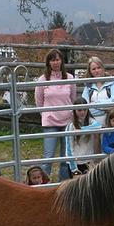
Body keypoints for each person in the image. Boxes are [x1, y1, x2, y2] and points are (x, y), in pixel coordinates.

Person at [35, 49, 75, 180]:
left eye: (57, 59)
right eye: (52, 60)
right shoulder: (42, 79)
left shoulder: (70, 78)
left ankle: (62, 184)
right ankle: (44, 184)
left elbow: (73, 99)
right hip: (50, 122)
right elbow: (39, 101)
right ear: (48, 62)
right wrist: (46, 115)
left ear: (62, 61)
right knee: (48, 157)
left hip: (67, 121)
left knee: (65, 157)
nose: (55, 62)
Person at [65, 98, 102, 177]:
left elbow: (98, 126)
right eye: (79, 110)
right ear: (74, 111)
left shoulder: (92, 121)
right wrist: (74, 168)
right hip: (75, 163)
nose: (82, 112)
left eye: (84, 110)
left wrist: (81, 130)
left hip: (88, 161)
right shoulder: (70, 126)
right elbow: (69, 148)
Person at [81, 56, 114, 126]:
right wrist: (104, 109)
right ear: (90, 71)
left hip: (110, 122)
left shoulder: (113, 82)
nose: (97, 71)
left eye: (99, 68)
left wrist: (95, 104)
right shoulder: (88, 86)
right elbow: (84, 106)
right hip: (92, 123)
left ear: (102, 68)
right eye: (93, 69)